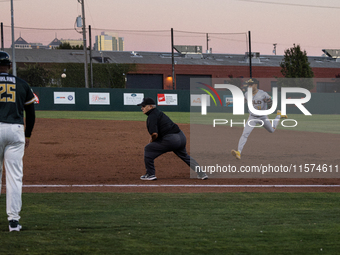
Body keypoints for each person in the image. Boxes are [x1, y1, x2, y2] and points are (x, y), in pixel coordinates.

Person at [0, 51, 36, 232]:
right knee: (14, 178)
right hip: (15, 131)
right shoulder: (22, 84)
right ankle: (13, 221)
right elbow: (31, 113)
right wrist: (27, 134)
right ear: (10, 66)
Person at [137, 97, 208, 180]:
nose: (142, 108)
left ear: (150, 107)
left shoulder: (152, 116)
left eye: (144, 106)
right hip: (181, 137)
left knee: (148, 149)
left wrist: (151, 142)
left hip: (171, 140)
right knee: (184, 155)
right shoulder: (159, 113)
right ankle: (202, 174)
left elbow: (154, 134)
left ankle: (150, 174)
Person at [230, 78, 287, 160]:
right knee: (245, 134)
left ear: (256, 85)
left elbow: (272, 105)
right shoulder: (247, 94)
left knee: (272, 130)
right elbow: (242, 101)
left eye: (251, 84)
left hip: (263, 117)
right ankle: (238, 152)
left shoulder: (263, 94)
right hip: (252, 117)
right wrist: (231, 102)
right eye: (248, 84)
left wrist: (269, 102)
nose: (249, 86)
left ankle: (278, 116)